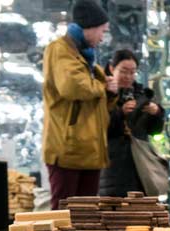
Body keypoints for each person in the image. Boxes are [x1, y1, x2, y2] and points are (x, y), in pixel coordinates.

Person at [42, 0, 117, 209]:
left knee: (86, 219)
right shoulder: (59, 50)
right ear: (91, 26)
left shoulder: (87, 58)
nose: (103, 36)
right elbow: (73, 86)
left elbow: (96, 100)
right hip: (67, 150)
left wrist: (109, 93)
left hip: (88, 152)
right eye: (103, 30)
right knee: (62, 218)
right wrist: (103, 86)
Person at [98, 49, 165, 197]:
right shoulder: (101, 93)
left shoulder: (141, 94)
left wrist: (156, 113)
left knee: (139, 214)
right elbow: (98, 127)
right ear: (111, 68)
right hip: (110, 167)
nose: (128, 76)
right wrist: (120, 112)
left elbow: (155, 131)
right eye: (124, 71)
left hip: (140, 166)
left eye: (132, 72)